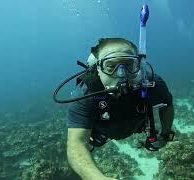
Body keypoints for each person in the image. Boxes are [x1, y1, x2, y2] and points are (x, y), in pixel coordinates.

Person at [66, 38, 175, 180]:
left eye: (130, 64)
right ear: (97, 69)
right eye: (111, 66)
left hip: (136, 126)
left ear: (139, 65)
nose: (122, 74)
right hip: (101, 134)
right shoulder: (85, 95)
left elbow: (167, 104)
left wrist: (165, 134)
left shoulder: (153, 84)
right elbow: (76, 144)